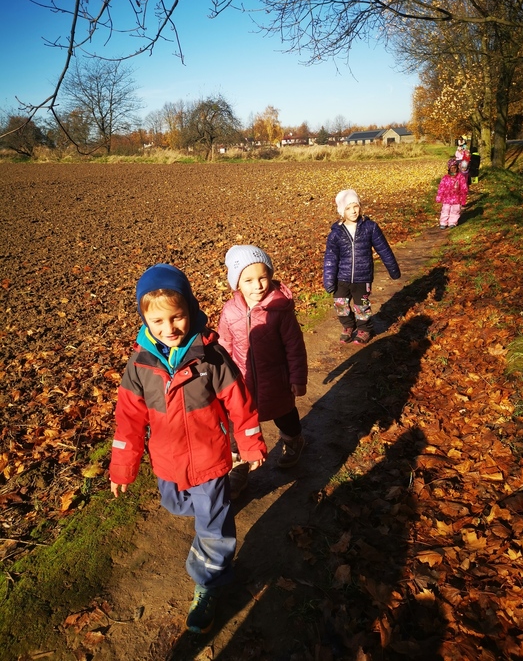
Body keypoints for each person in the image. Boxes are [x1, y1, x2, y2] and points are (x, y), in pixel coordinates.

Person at [109, 263, 267, 635]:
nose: (169, 328)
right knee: (178, 505)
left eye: (176, 317)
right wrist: (122, 468)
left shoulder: (210, 357)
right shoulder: (140, 365)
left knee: (212, 526)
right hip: (168, 462)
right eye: (157, 321)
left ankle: (208, 582)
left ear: (190, 310)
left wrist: (249, 443)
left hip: (210, 458)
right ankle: (221, 502)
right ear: (145, 320)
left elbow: (240, 402)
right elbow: (129, 421)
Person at [217, 245, 308, 497]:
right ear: (236, 283)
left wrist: (297, 377)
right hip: (241, 381)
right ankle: (239, 465)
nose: (257, 286)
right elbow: (224, 346)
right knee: (237, 422)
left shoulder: (280, 310)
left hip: (276, 380)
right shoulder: (230, 311)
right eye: (248, 280)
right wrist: (220, 380)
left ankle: (293, 440)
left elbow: (294, 346)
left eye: (262, 277)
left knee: (284, 414)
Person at [323, 189, 401, 345]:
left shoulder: (370, 227)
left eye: (356, 206)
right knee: (340, 304)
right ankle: (348, 326)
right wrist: (329, 279)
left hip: (362, 277)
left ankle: (364, 329)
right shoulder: (336, 233)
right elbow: (330, 258)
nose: (353, 211)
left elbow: (384, 249)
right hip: (341, 278)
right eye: (348, 208)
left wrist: (393, 269)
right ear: (341, 211)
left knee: (362, 306)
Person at [436, 157, 469, 229]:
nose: (453, 169)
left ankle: (452, 222)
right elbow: (441, 188)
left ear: (457, 168)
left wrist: (463, 198)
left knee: (455, 211)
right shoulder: (445, 178)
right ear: (449, 169)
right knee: (445, 210)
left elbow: (464, 188)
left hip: (456, 198)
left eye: (454, 168)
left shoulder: (460, 177)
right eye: (451, 168)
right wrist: (439, 196)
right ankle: (443, 222)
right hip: (447, 198)